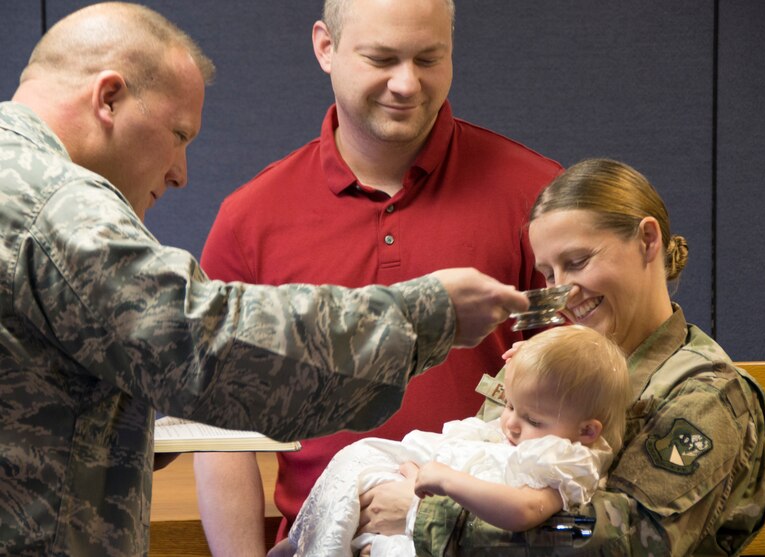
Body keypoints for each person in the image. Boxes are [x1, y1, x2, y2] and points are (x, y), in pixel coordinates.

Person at [0, 3, 534, 555]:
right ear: (108, 98)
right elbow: (208, 352)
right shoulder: (50, 205)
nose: (181, 173)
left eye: (428, 58)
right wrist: (428, 315)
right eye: (178, 133)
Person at [192, 0, 562, 554]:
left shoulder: (539, 198)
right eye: (381, 58)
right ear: (325, 47)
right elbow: (218, 431)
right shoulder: (251, 219)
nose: (407, 84)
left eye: (428, 58)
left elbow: (587, 403)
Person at [359, 158, 765, 556]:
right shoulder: (551, 367)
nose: (564, 292)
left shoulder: (707, 395)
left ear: (648, 241)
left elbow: (622, 540)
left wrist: (425, 516)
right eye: (549, 274)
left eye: (577, 262)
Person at [268, 325, 630, 557]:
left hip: (442, 537)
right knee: (359, 456)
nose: (511, 424)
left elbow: (525, 512)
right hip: (429, 500)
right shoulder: (524, 435)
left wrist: (446, 481)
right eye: (509, 405)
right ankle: (304, 540)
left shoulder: (564, 461)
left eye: (532, 419)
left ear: (587, 431)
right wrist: (418, 474)